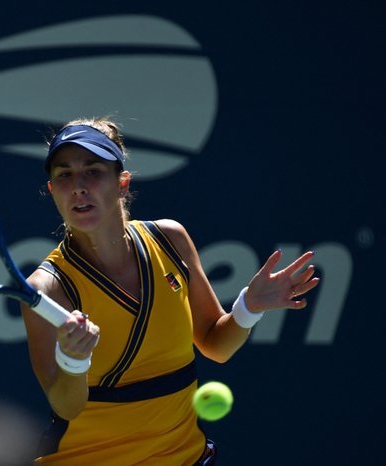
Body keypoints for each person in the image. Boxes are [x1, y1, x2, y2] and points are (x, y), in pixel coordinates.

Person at [20, 117, 320, 465]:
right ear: (52, 189)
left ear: (122, 183)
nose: (78, 187)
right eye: (64, 175)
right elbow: (66, 405)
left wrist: (248, 308)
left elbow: (215, 344)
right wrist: (73, 359)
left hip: (182, 457)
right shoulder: (46, 288)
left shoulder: (171, 239)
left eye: (93, 171)